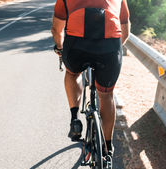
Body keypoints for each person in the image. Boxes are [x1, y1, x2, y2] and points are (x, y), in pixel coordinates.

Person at [51, 0, 130, 160]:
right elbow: (125, 30)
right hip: (109, 48)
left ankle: (74, 119)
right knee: (106, 95)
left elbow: (56, 29)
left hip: (77, 46)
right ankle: (107, 148)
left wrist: (59, 48)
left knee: (73, 73)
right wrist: (112, 50)